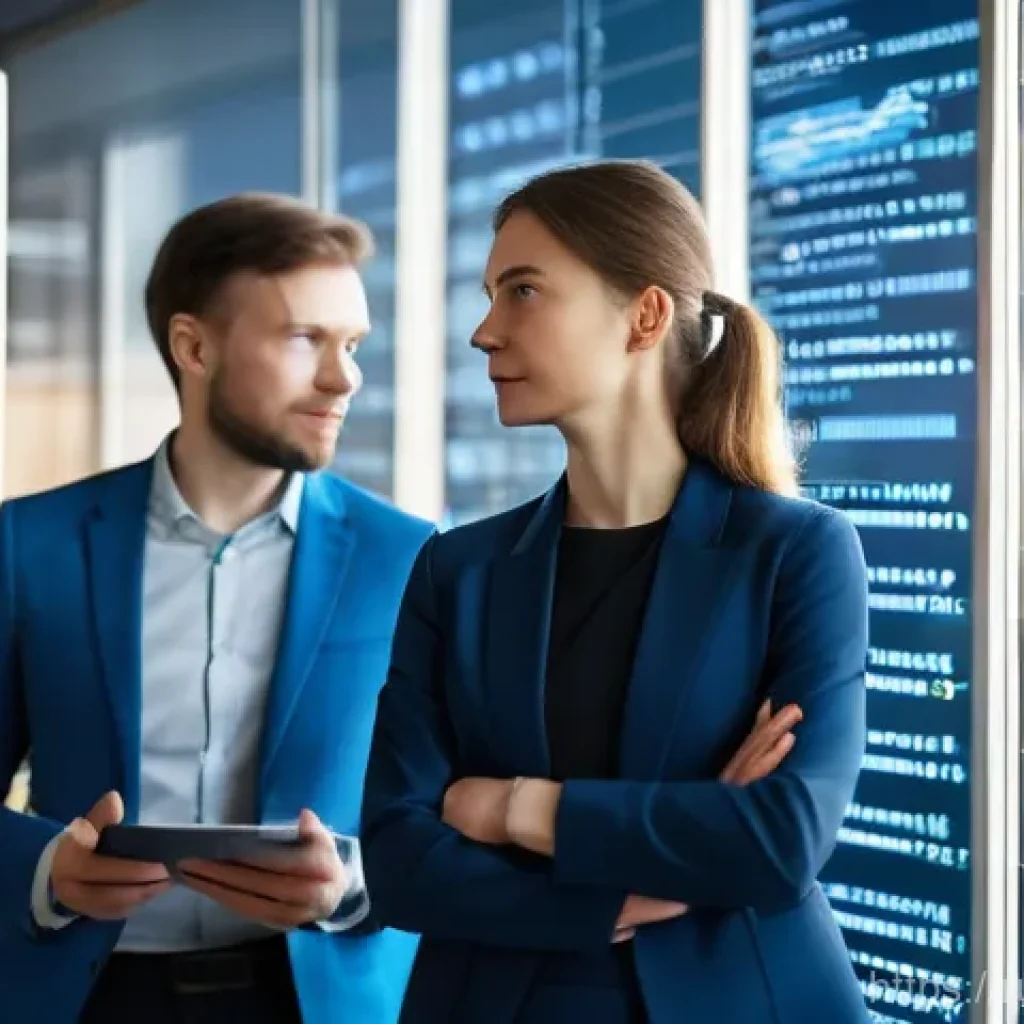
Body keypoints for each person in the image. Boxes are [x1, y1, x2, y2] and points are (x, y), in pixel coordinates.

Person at [360, 160, 870, 1023]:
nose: (483, 332)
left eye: (522, 291)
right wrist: (644, 862)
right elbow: (399, 859)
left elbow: (779, 843)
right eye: (489, 295)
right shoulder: (458, 570)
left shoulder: (796, 553)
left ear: (645, 315)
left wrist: (514, 807)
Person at [0, 193, 432, 1023]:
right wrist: (45, 869)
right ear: (193, 346)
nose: (344, 379)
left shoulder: (408, 557)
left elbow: (451, 812)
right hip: (88, 997)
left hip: (316, 1000)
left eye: (352, 345)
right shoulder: (30, 543)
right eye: (305, 339)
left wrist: (352, 889)